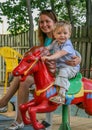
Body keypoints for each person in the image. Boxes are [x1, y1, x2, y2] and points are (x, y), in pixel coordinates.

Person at [0, 10, 81, 130]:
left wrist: (79, 58)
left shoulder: (60, 34)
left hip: (57, 74)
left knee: (24, 81)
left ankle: (10, 110)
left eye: (47, 21)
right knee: (21, 77)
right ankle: (5, 105)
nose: (44, 24)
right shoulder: (46, 39)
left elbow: (70, 50)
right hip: (46, 73)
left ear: (55, 22)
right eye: (41, 22)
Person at [41, 20, 80, 104]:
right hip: (59, 66)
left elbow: (60, 53)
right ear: (54, 35)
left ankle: (61, 95)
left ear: (69, 35)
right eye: (59, 33)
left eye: (65, 33)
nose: (62, 35)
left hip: (71, 68)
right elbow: (47, 48)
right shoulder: (55, 42)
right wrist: (39, 51)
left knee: (63, 72)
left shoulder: (68, 45)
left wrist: (49, 58)